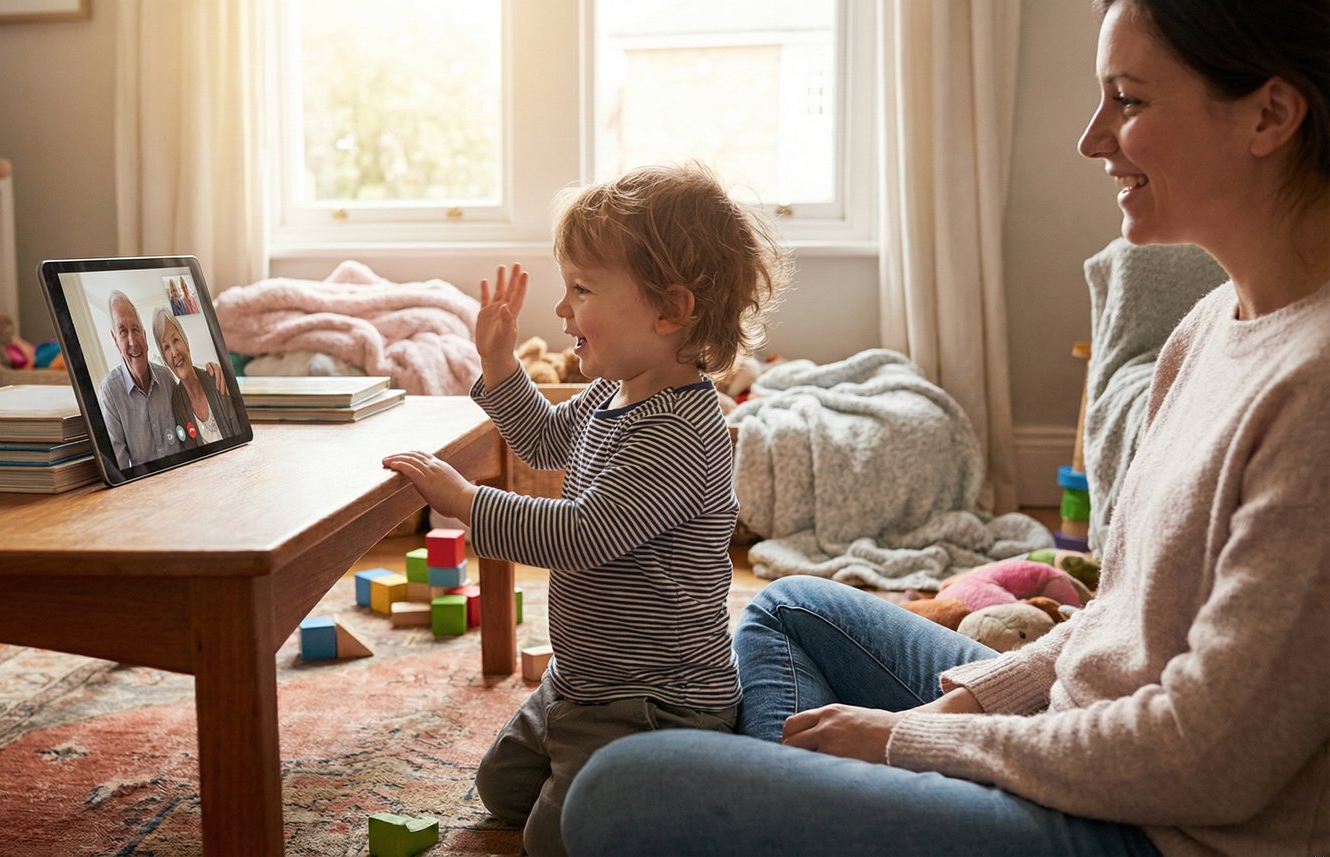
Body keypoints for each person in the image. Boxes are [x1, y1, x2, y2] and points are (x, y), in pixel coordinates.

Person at [560, 1, 1330, 855]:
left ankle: (794, 804)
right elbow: (1120, 618)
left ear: (1270, 114)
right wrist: (960, 706)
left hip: (1152, 828)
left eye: (1128, 100)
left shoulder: (1315, 391)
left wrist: (906, 742)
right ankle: (803, 802)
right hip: (1080, 740)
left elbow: (1206, 760)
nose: (1092, 138)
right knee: (787, 609)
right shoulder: (1211, 323)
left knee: (616, 793)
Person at [381, 163, 790, 857]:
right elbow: (543, 440)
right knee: (499, 789)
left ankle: (690, 783)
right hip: (586, 682)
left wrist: (466, 501)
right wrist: (502, 366)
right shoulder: (615, 393)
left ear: (670, 309)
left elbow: (579, 535)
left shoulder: (682, 434)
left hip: (658, 702)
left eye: (581, 289)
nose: (562, 310)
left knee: (554, 838)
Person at [97, 290, 186, 468]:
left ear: (144, 336)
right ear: (115, 341)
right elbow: (118, 468)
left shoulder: (167, 378)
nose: (132, 341)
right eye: (123, 332)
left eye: (135, 329)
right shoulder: (110, 393)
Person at [150, 306, 242, 445]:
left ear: (185, 342)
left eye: (175, 340)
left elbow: (240, 434)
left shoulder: (216, 379)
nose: (174, 352)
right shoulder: (177, 405)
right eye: (166, 347)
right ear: (165, 359)